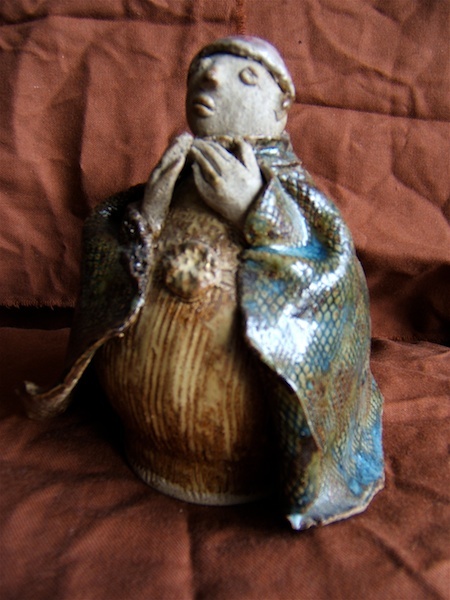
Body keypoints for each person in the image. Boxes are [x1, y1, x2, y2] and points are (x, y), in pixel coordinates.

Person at [24, 36, 384, 530]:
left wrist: (256, 211)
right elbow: (108, 249)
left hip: (249, 460)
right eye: (201, 72)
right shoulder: (172, 176)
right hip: (142, 444)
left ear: (280, 110)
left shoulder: (296, 200)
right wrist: (148, 214)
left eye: (245, 78)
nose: (211, 79)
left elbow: (331, 278)